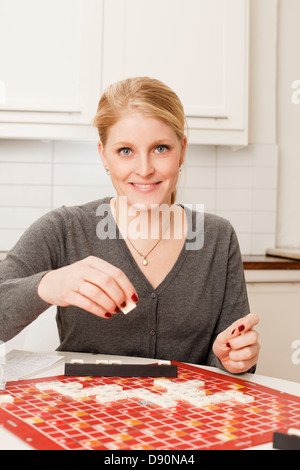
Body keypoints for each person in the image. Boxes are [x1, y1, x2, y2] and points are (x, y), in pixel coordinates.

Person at [0, 77, 260, 374]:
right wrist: (49, 285)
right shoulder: (64, 229)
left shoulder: (217, 237)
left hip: (185, 416)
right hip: (84, 413)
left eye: (161, 148)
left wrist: (230, 358)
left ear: (182, 151)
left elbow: (232, 363)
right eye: (125, 151)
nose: (145, 169)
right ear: (104, 155)